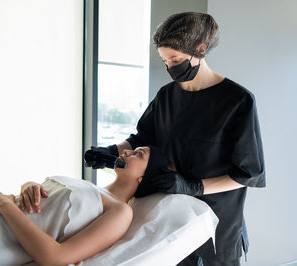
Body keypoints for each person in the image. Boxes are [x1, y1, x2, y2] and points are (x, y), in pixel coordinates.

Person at [88, 12, 266, 266]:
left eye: (175, 59)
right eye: (165, 60)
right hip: (170, 226)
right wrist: (108, 152)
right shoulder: (166, 97)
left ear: (200, 49)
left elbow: (247, 174)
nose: (170, 67)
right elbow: (141, 138)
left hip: (217, 230)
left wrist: (193, 186)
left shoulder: (237, 101)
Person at [0, 145, 166, 266]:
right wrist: (29, 185)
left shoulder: (121, 212)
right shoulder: (91, 186)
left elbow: (56, 257)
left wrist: (7, 208)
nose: (126, 152)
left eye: (137, 154)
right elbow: (48, 204)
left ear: (144, 177)